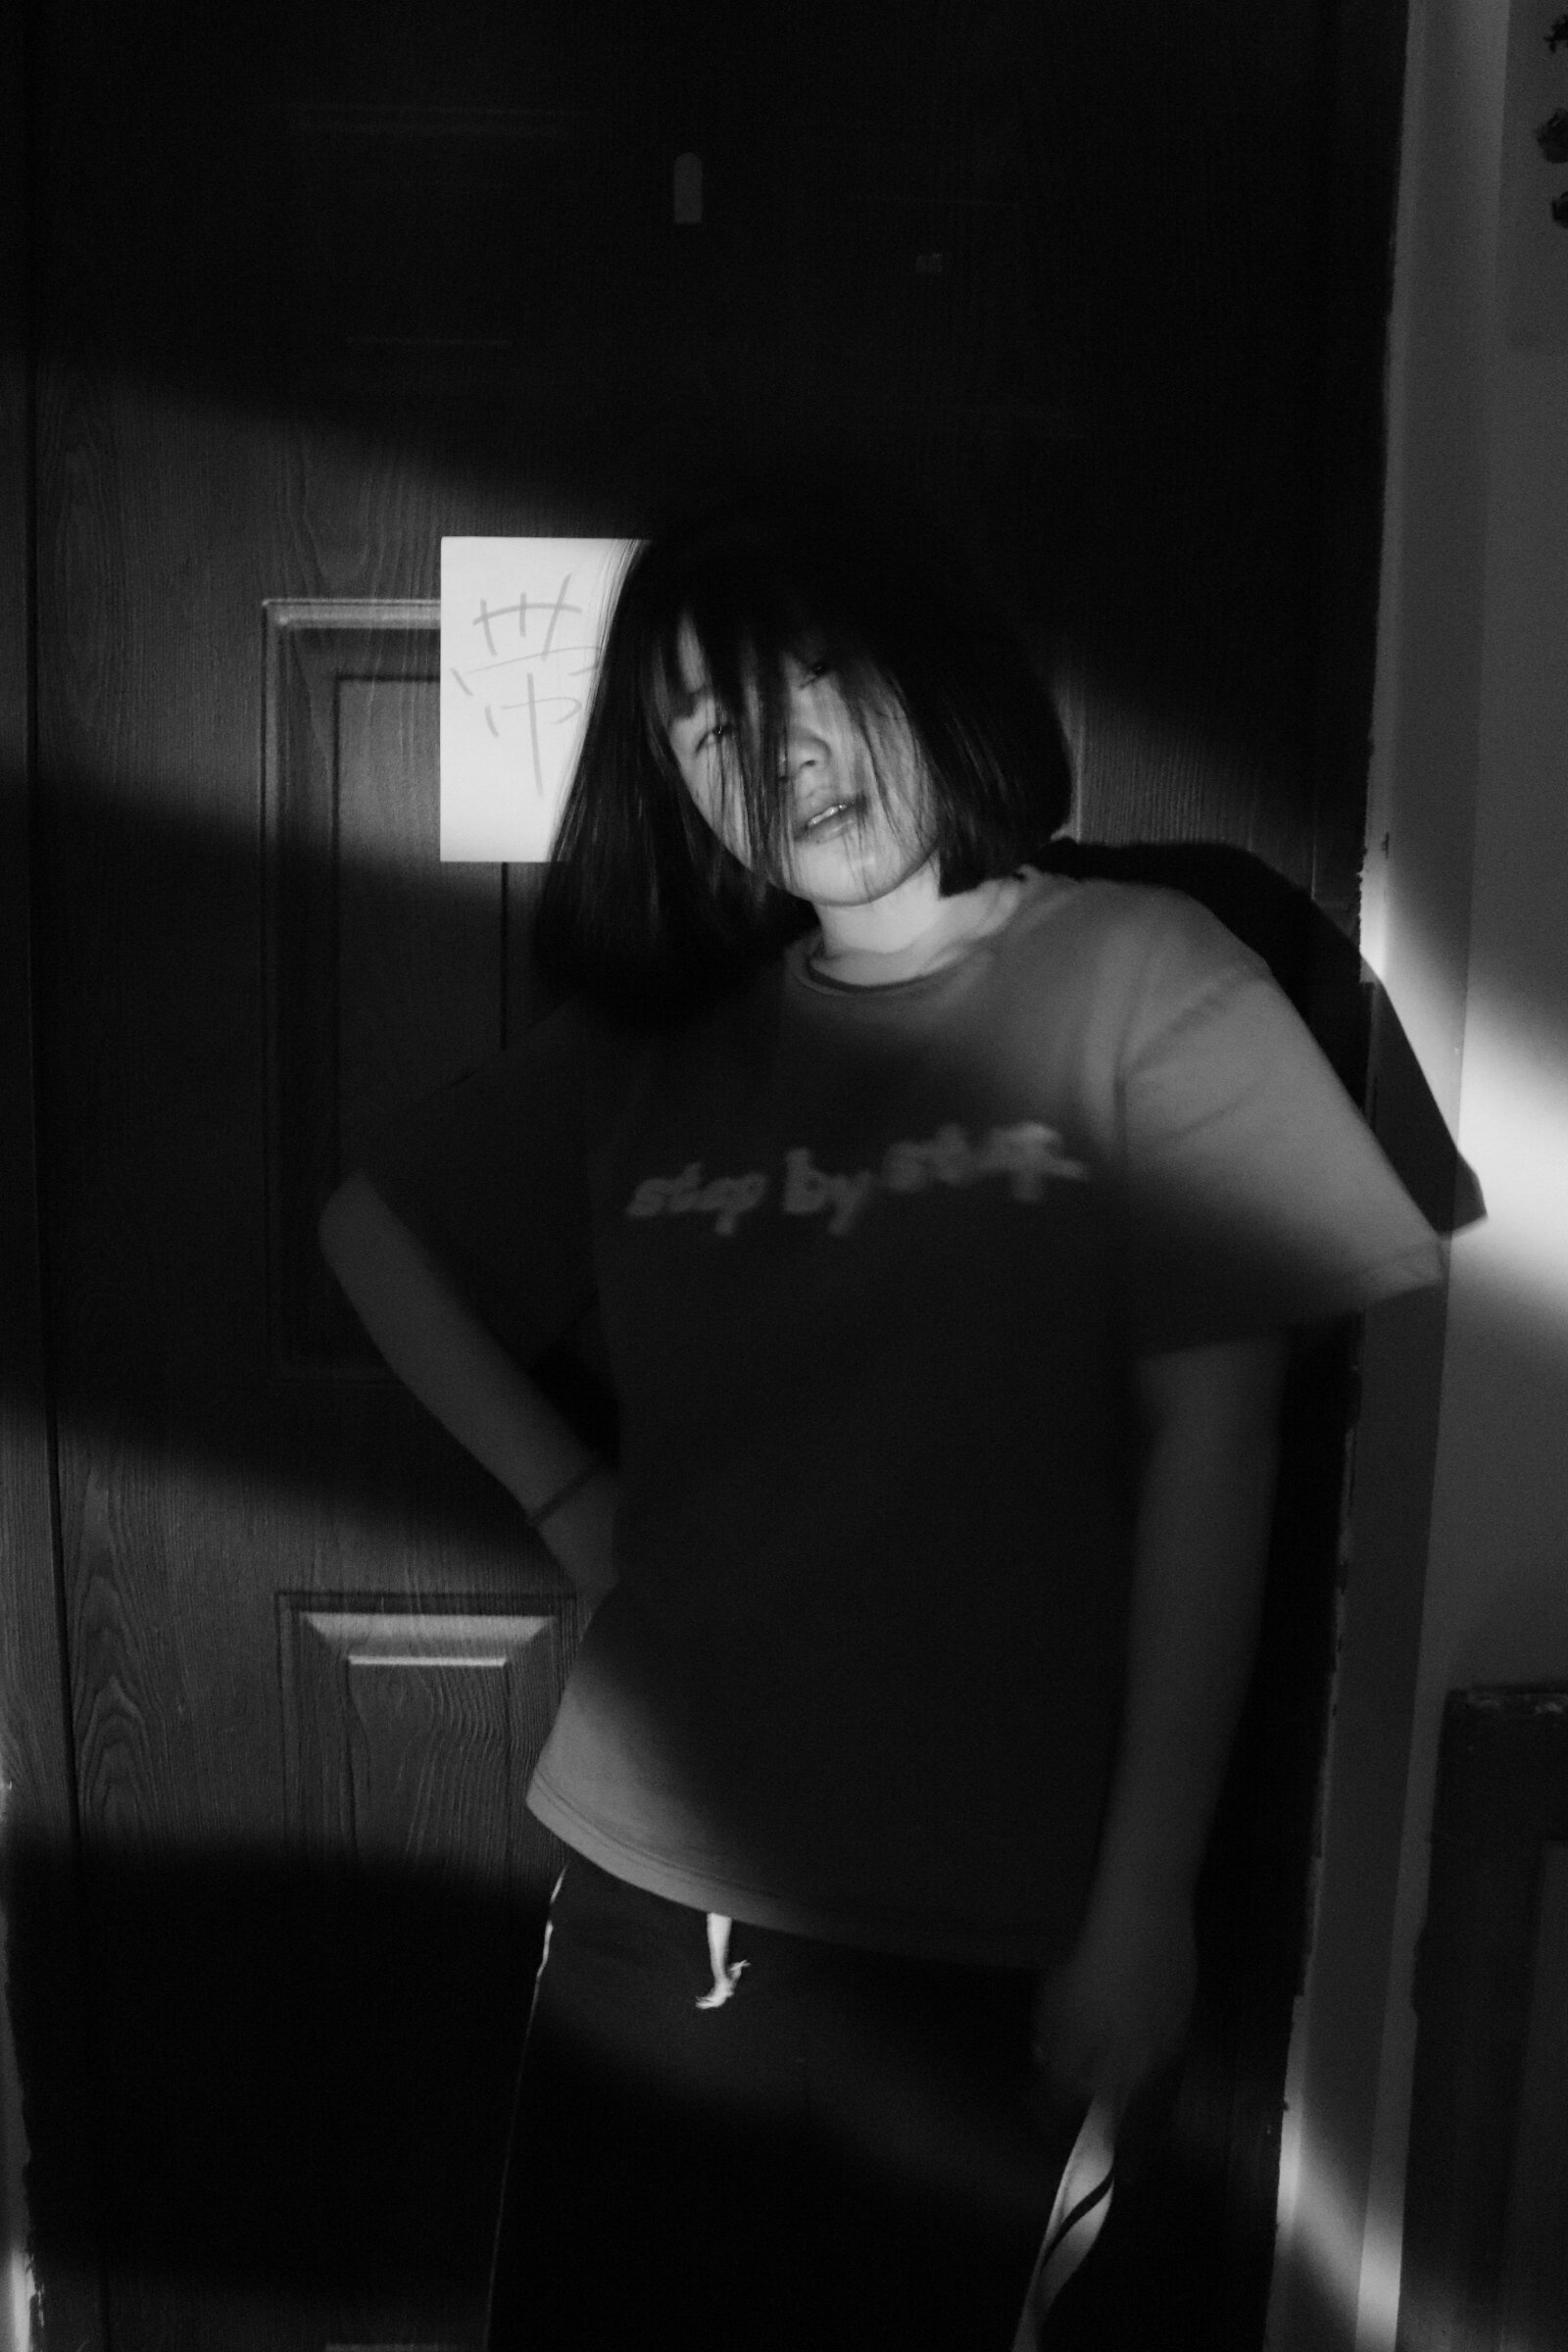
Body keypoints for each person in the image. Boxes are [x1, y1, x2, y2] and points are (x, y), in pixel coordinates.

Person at [318, 481, 1445, 2348]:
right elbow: (376, 1234)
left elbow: (1218, 1454)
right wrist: (571, 1500)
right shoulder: (669, 1037)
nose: (770, 750)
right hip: (645, 1894)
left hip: (978, 1932)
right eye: (702, 724)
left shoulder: (1155, 981)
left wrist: (1145, 1899)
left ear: (934, 675)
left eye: (815, 677)